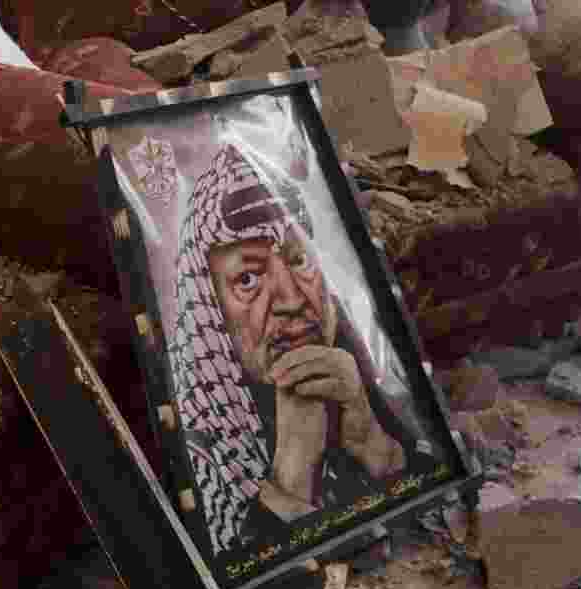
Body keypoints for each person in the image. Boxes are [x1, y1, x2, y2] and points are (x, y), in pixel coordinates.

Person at [168, 142, 420, 556]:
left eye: (299, 259)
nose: (292, 300)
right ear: (209, 311)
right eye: (248, 279)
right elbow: (242, 567)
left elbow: (420, 497)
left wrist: (369, 439)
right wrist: (292, 473)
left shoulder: (359, 371)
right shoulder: (201, 447)